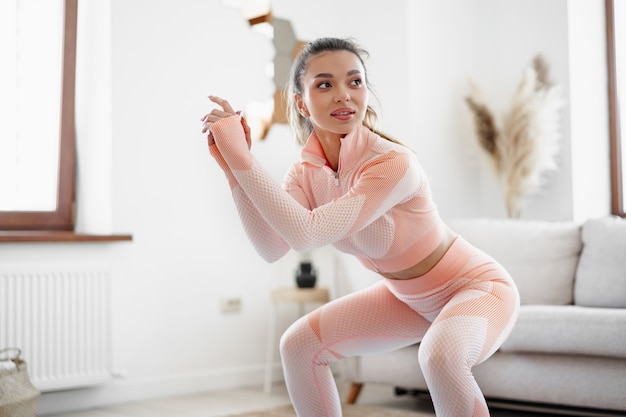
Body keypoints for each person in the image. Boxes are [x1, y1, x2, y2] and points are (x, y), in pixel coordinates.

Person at [201, 37, 520, 417]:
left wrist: (241, 156)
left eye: (354, 82)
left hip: (476, 288)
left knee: (441, 355)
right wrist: (234, 167)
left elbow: (307, 233)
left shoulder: (393, 163)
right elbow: (272, 247)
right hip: (407, 297)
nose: (343, 95)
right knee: (298, 345)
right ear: (301, 103)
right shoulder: (305, 173)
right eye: (324, 84)